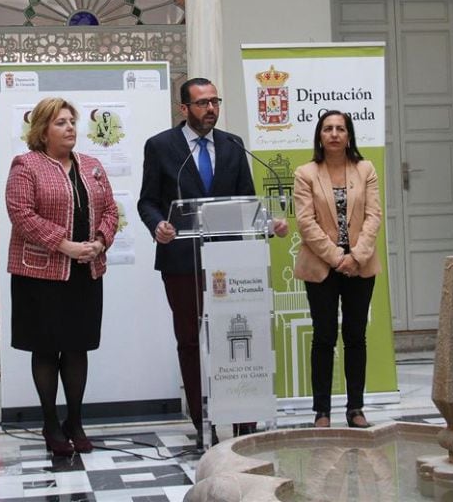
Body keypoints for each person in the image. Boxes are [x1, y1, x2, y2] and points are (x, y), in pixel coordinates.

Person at [137, 77, 287, 447]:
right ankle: (202, 419)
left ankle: (243, 420)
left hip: (231, 260)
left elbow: (247, 203)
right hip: (181, 260)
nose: (211, 110)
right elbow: (147, 201)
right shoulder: (161, 146)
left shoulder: (233, 145)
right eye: (202, 103)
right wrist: (159, 226)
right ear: (184, 108)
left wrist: (269, 224)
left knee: (233, 336)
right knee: (190, 340)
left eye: (215, 102)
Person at [6, 97, 118, 456]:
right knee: (45, 348)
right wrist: (65, 245)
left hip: (85, 273)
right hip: (39, 277)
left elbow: (111, 210)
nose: (70, 128)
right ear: (42, 130)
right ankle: (51, 424)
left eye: (72, 121)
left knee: (77, 347)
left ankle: (75, 420)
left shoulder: (93, 166)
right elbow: (21, 215)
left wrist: (100, 241)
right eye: (60, 123)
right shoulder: (26, 165)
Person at [293, 110, 382, 429]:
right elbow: (305, 222)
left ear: (349, 135)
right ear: (319, 135)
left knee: (355, 337)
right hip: (322, 266)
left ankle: (355, 408)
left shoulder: (365, 169)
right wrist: (336, 257)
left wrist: (356, 256)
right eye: (327, 128)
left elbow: (374, 216)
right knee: (324, 336)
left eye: (340, 129)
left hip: (360, 263)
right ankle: (322, 412)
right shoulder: (306, 173)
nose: (333, 134)